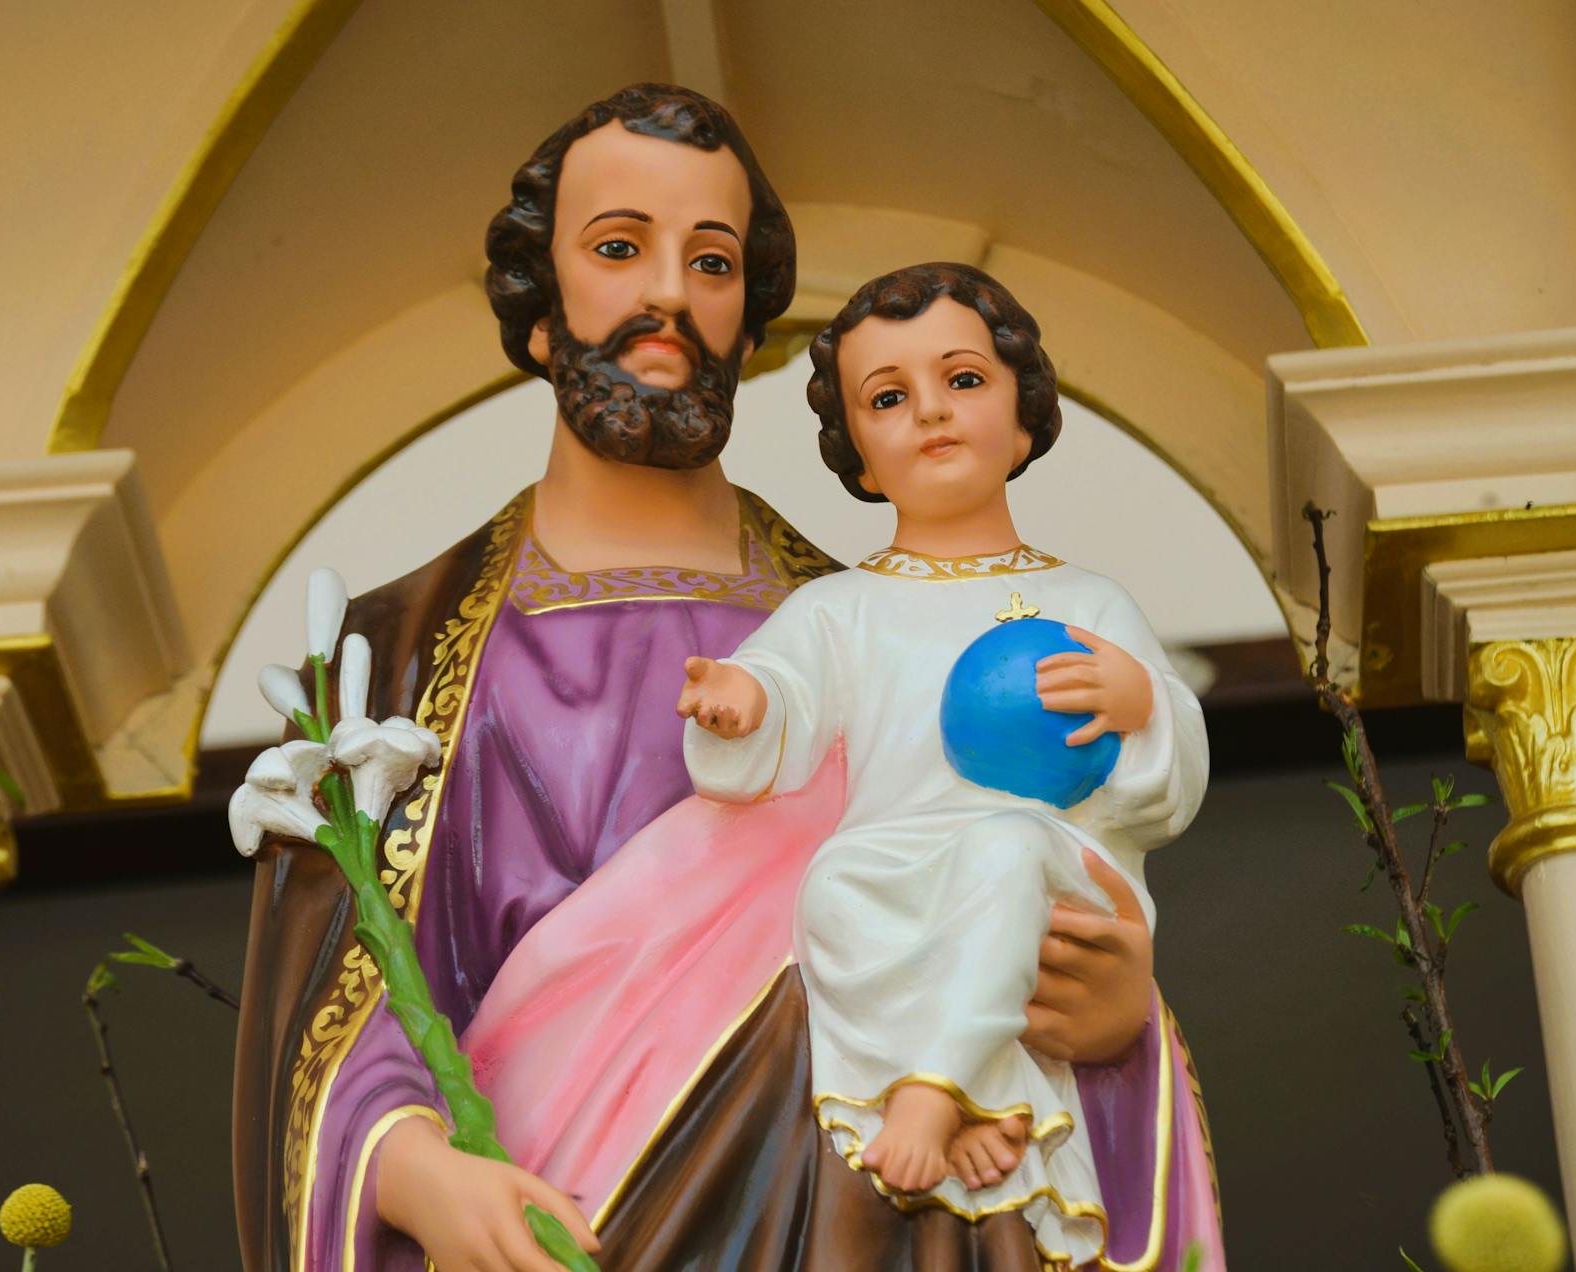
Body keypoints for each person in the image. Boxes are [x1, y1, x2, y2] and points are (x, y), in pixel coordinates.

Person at [234, 85, 1173, 1272]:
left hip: (870, 1218)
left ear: (748, 323)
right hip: (552, 1226)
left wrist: (1108, 1017)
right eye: (620, 249)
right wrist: (411, 1169)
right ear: (539, 312)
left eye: (712, 262)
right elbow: (330, 1006)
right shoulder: (395, 660)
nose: (669, 294)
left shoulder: (875, 628)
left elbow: (1031, 868)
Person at [674, 262, 1211, 1265]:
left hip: (1043, 861)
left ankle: (930, 1094)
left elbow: (1170, 777)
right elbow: (784, 696)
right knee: (831, 886)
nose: (930, 412)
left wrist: (1139, 705)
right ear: (862, 459)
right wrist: (742, 705)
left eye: (963, 381)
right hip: (896, 860)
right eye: (889, 398)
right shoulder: (844, 607)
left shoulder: (1083, 599)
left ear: (1023, 420)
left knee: (1001, 856)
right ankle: (967, 1095)